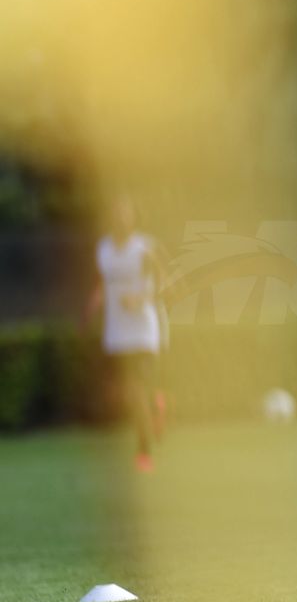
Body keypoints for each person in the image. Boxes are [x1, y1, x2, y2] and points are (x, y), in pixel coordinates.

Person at [85, 197, 170, 473]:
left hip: (144, 330)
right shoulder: (104, 249)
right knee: (125, 393)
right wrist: (92, 307)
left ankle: (144, 453)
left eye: (126, 214)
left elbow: (167, 282)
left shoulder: (144, 248)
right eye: (116, 214)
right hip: (116, 332)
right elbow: (103, 284)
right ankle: (156, 407)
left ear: (133, 217)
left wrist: (141, 298)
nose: (121, 219)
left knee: (134, 391)